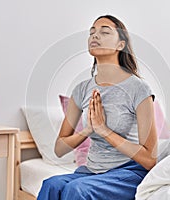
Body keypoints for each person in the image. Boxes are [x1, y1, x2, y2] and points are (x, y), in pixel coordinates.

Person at [37, 15, 158, 200]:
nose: (95, 35)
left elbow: (150, 159)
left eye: (104, 32)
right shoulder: (82, 89)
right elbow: (59, 149)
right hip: (91, 172)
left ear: (121, 45)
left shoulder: (139, 89)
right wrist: (88, 130)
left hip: (128, 173)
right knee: (51, 185)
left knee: (76, 190)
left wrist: (104, 130)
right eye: (92, 32)